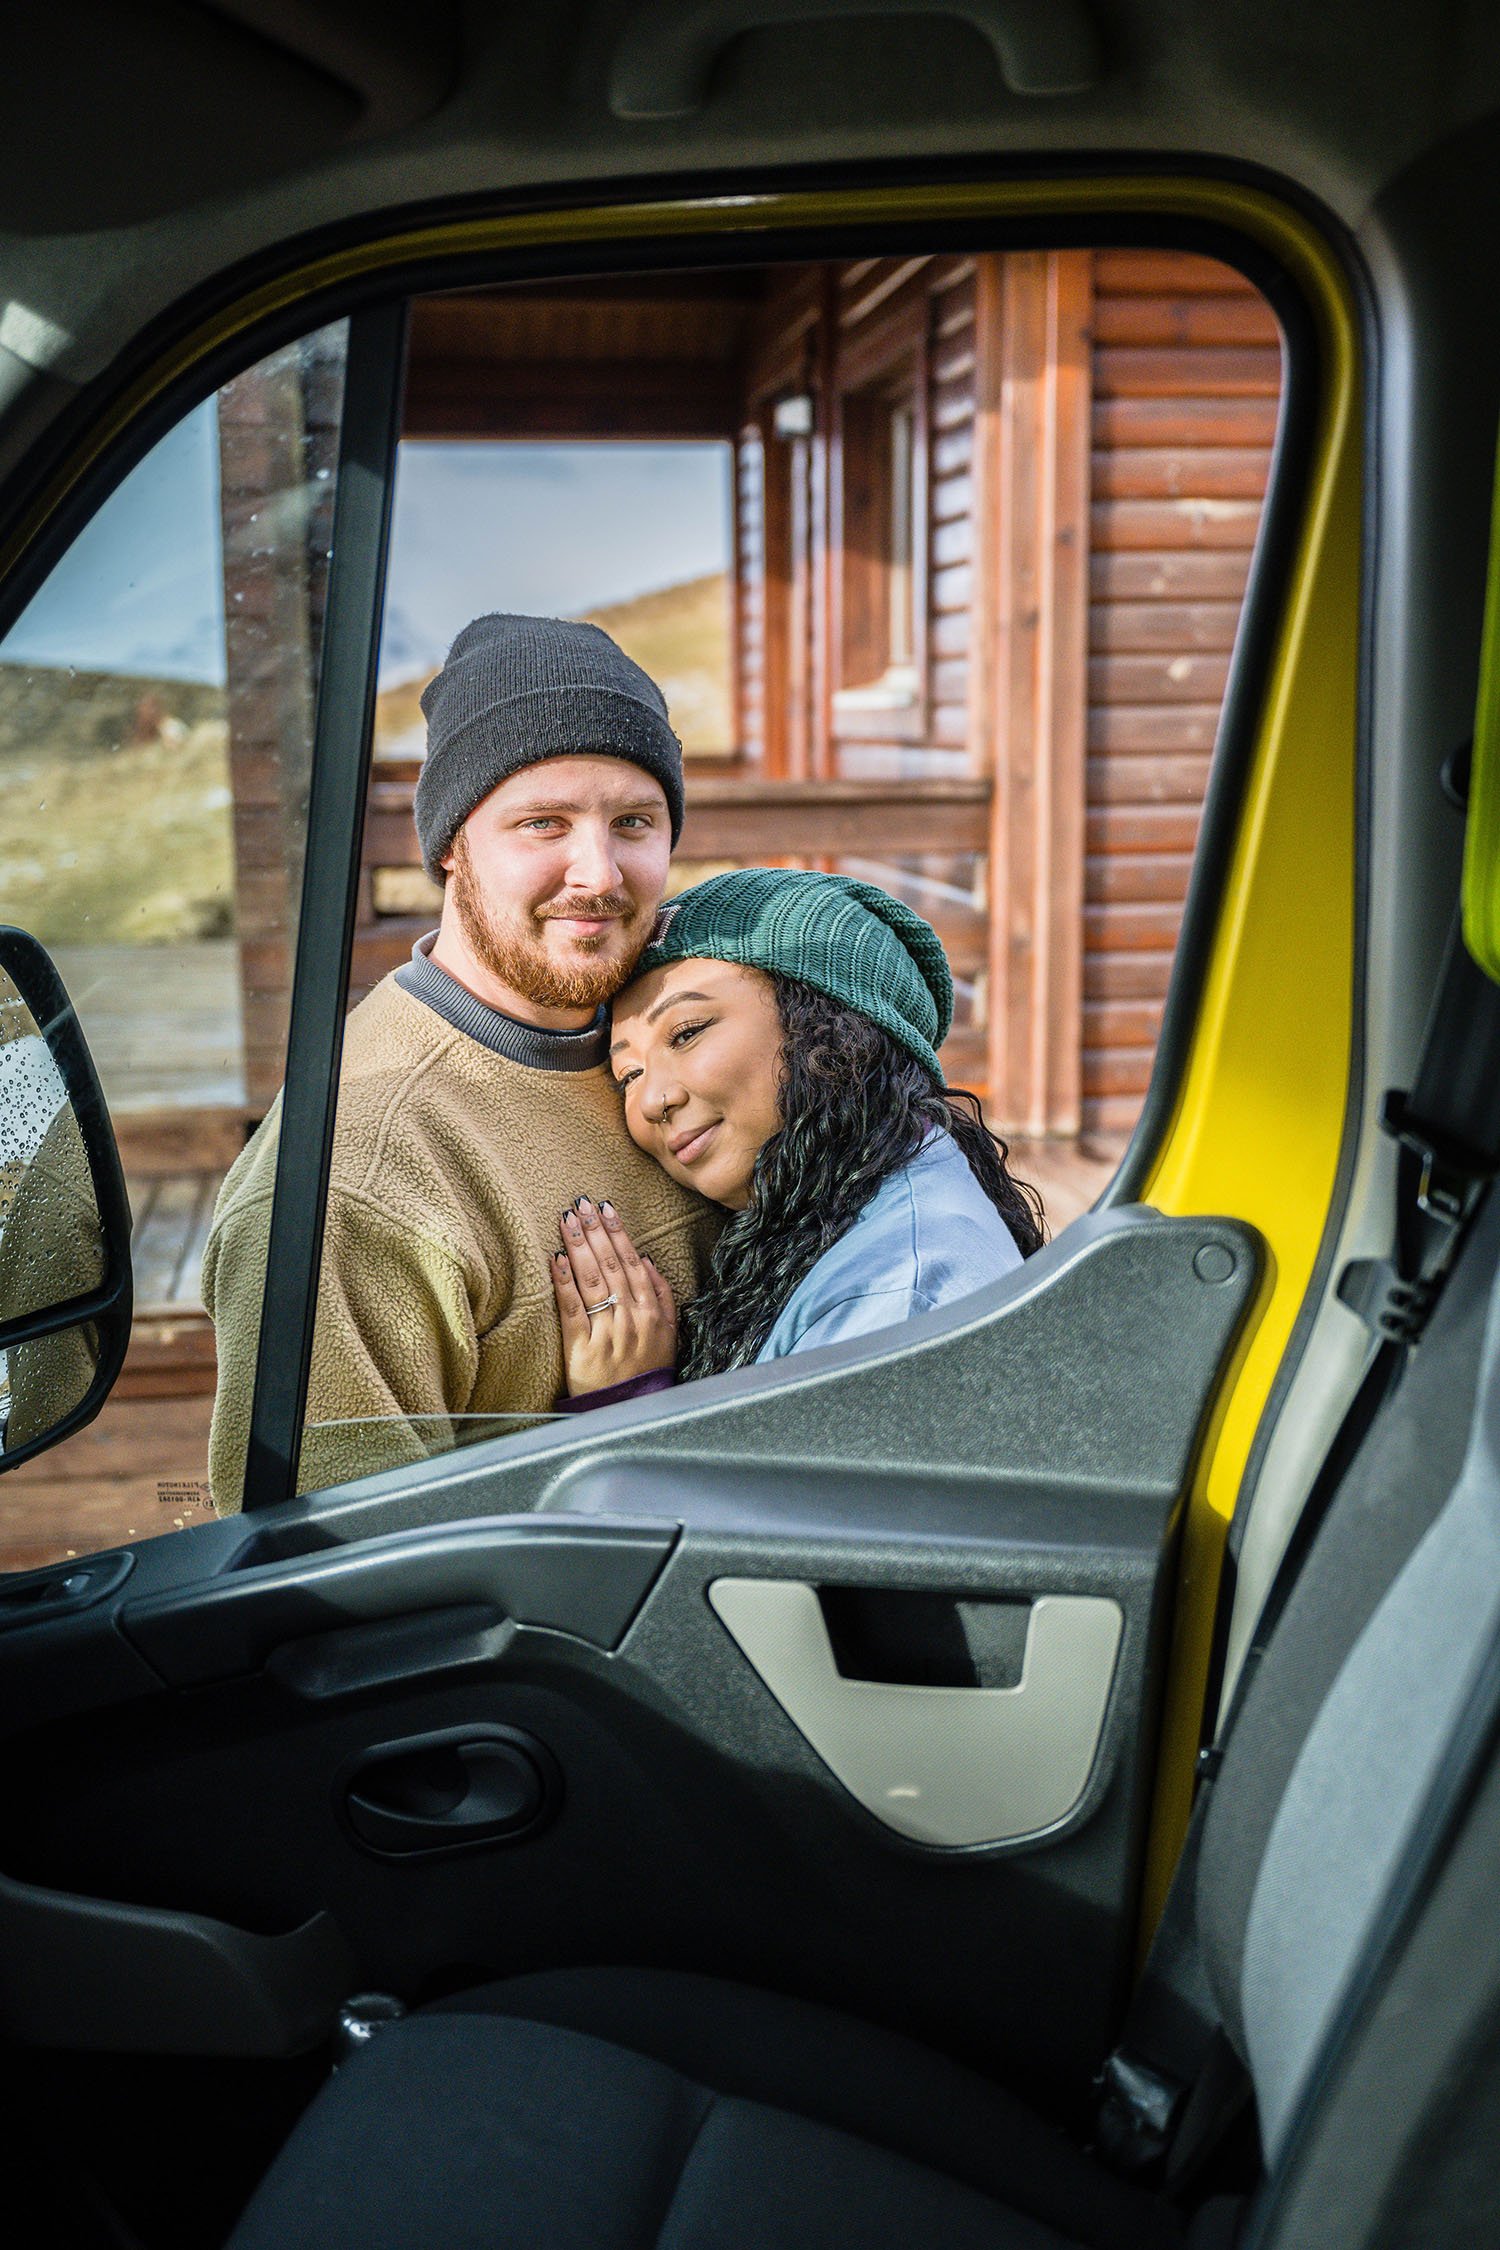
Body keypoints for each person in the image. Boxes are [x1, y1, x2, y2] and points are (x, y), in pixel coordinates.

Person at [202, 614, 721, 1506]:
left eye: (634, 821)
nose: (598, 872)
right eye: (542, 823)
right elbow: (346, 1583)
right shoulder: (357, 1185)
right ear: (450, 845)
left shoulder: (695, 1029)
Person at [550, 866, 1044, 1406]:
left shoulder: (895, 1300)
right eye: (630, 1075)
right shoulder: (842, 1200)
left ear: (828, 1030)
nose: (652, 1100)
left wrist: (628, 1409)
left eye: (687, 1033)